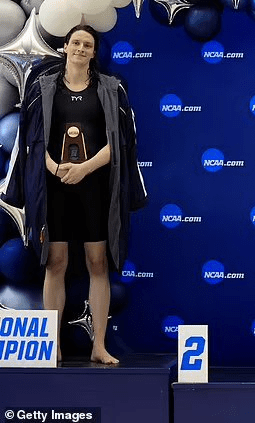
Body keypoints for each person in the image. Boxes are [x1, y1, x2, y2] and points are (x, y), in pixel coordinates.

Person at [2, 25, 147, 364]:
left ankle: (99, 346)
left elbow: (121, 142)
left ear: (94, 53)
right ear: (65, 47)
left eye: (88, 45)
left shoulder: (110, 88)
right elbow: (31, 138)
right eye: (76, 43)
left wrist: (85, 168)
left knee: (98, 263)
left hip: (95, 188)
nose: (81, 48)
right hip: (54, 189)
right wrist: (54, 168)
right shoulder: (43, 87)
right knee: (56, 263)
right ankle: (52, 345)